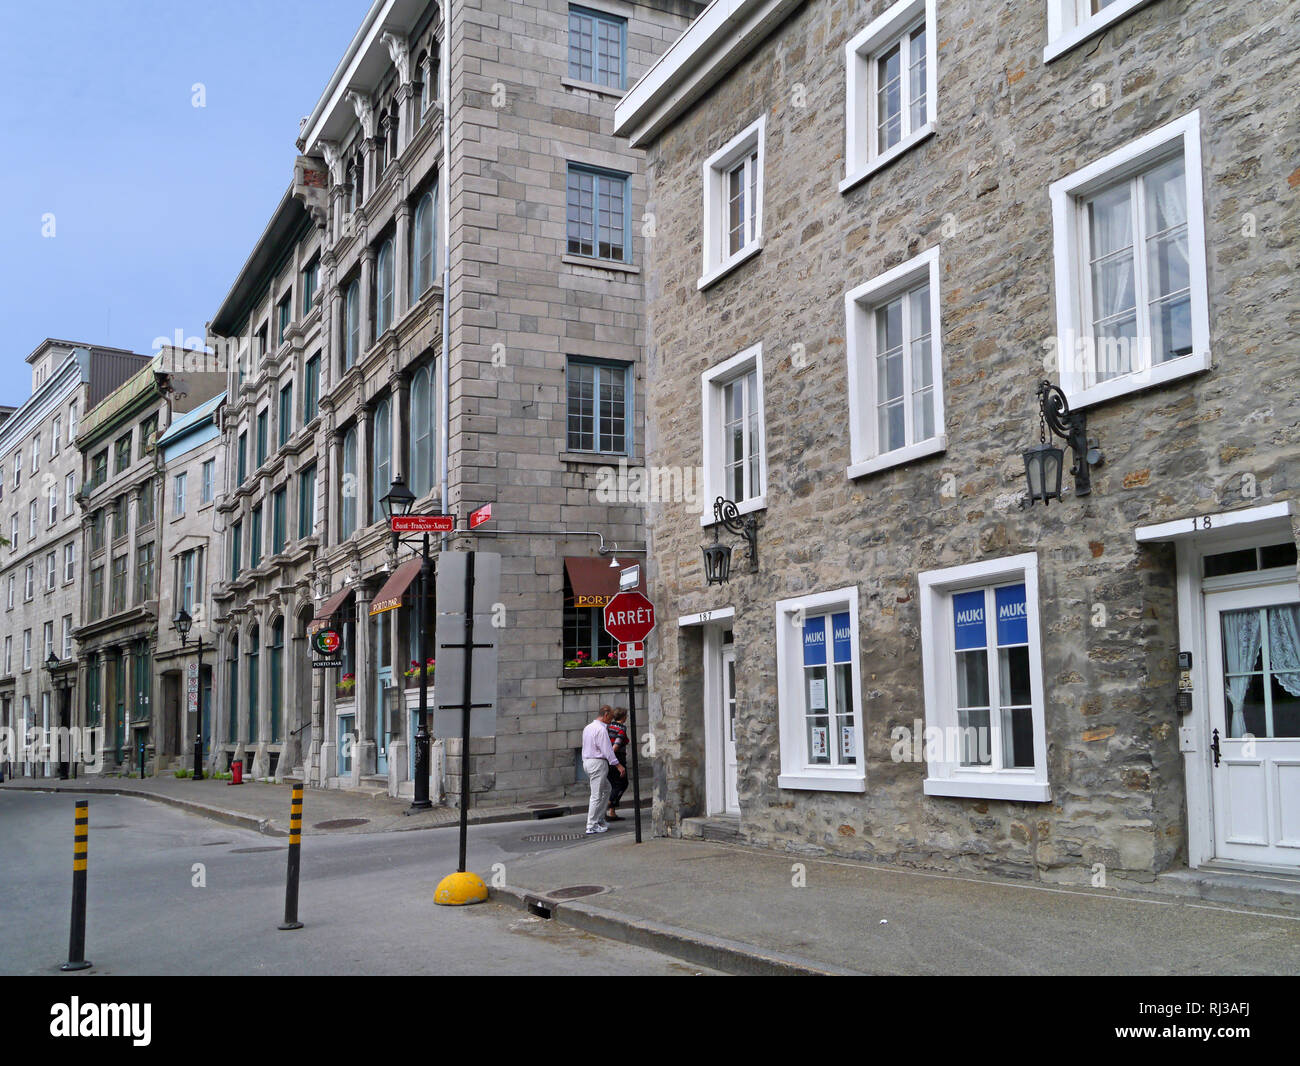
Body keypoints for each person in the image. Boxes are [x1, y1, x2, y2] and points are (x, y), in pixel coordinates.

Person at [581, 705, 624, 835]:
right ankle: (591, 824)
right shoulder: (601, 730)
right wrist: (618, 765)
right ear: (605, 715)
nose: (611, 721)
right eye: (610, 718)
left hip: (588, 762)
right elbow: (608, 750)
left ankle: (599, 819)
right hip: (597, 763)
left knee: (606, 789)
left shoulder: (588, 728)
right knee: (596, 795)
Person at [605, 707, 630, 820]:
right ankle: (608, 805)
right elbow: (616, 745)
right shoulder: (622, 728)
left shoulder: (608, 726)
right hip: (617, 758)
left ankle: (612, 812)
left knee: (614, 784)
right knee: (622, 784)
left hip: (606, 758)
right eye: (626, 715)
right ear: (624, 717)